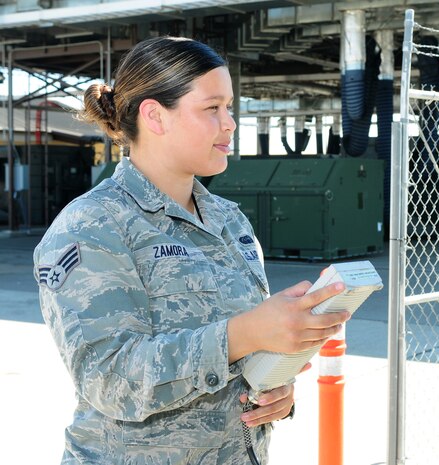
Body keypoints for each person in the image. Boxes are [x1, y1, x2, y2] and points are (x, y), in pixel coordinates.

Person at [33, 36, 350, 465]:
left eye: (230, 107)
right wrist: (247, 332)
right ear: (154, 116)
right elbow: (108, 379)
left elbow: (237, 353)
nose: (231, 123)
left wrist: (273, 388)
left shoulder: (228, 219)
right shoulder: (92, 225)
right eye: (212, 108)